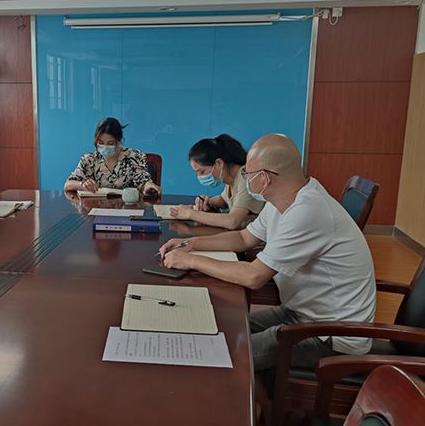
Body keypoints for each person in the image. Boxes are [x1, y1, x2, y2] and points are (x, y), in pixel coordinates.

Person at [158, 134, 376, 371]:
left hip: (332, 335)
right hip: (300, 313)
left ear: (264, 178)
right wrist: (191, 243)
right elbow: (244, 238)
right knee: (226, 326)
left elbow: (254, 276)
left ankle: (256, 395)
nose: (244, 178)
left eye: (247, 173)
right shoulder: (281, 200)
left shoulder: (307, 210)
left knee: (225, 354)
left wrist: (191, 261)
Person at [170, 134, 264, 230]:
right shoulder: (231, 178)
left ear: (219, 163)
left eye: (202, 172)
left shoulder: (245, 178)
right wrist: (207, 201)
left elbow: (233, 221)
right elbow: (224, 199)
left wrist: (190, 214)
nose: (200, 177)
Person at [63, 117, 161, 197]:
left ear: (119, 141)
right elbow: (68, 185)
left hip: (127, 209)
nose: (105, 147)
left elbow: (143, 182)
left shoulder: (133, 157)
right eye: (101, 143)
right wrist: (82, 184)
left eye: (110, 143)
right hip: (96, 209)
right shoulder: (89, 160)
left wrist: (149, 186)